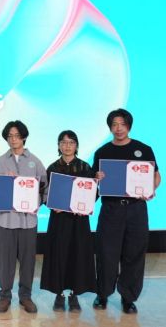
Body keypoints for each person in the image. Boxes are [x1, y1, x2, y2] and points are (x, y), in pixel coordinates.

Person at [92, 109, 161, 314]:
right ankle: (102, 294)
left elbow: (156, 176)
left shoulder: (143, 149)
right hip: (111, 209)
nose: (118, 128)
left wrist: (150, 189)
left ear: (129, 126)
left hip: (136, 209)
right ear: (110, 127)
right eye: (114, 124)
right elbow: (94, 181)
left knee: (134, 253)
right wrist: (96, 177)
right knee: (106, 253)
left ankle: (128, 298)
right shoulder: (102, 152)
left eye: (122, 124)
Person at [0, 120, 47, 314]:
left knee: (28, 261)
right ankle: (5, 296)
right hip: (5, 220)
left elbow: (45, 187)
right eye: (10, 136)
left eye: (17, 136)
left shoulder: (35, 161)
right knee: (6, 261)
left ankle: (25, 296)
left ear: (24, 137)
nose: (13, 139)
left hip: (28, 221)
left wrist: (38, 202)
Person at [40, 130, 96, 312]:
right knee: (58, 255)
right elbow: (44, 193)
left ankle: (74, 294)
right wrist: (51, 203)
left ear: (76, 146)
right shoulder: (52, 168)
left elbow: (93, 192)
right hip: (59, 220)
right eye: (63, 142)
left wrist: (85, 206)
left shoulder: (85, 167)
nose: (67, 146)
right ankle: (59, 294)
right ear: (58, 145)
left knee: (77, 255)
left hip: (79, 221)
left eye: (71, 142)